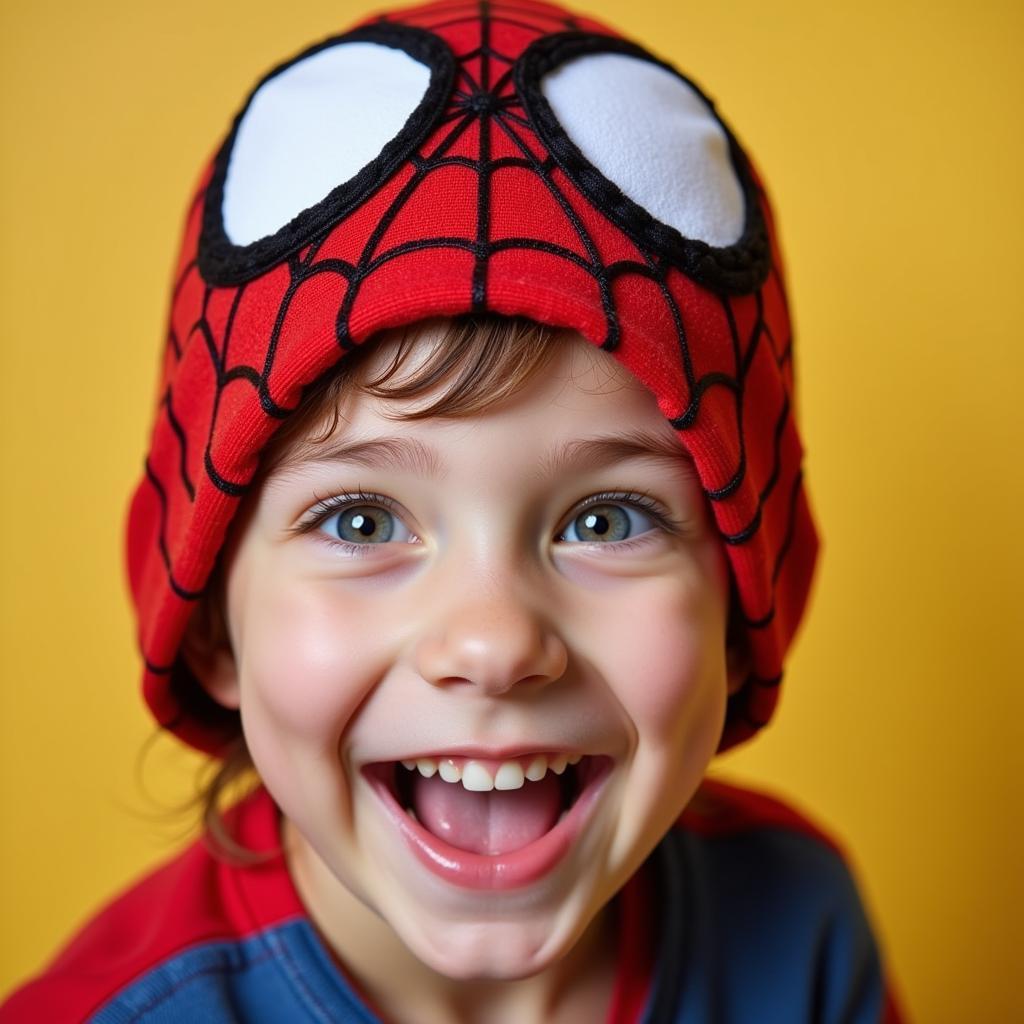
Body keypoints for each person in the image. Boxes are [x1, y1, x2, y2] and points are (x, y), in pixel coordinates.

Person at [0, 1, 902, 1020]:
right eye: (361, 520)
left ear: (743, 607)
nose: (493, 642)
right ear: (210, 620)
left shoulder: (799, 929)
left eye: (606, 519)